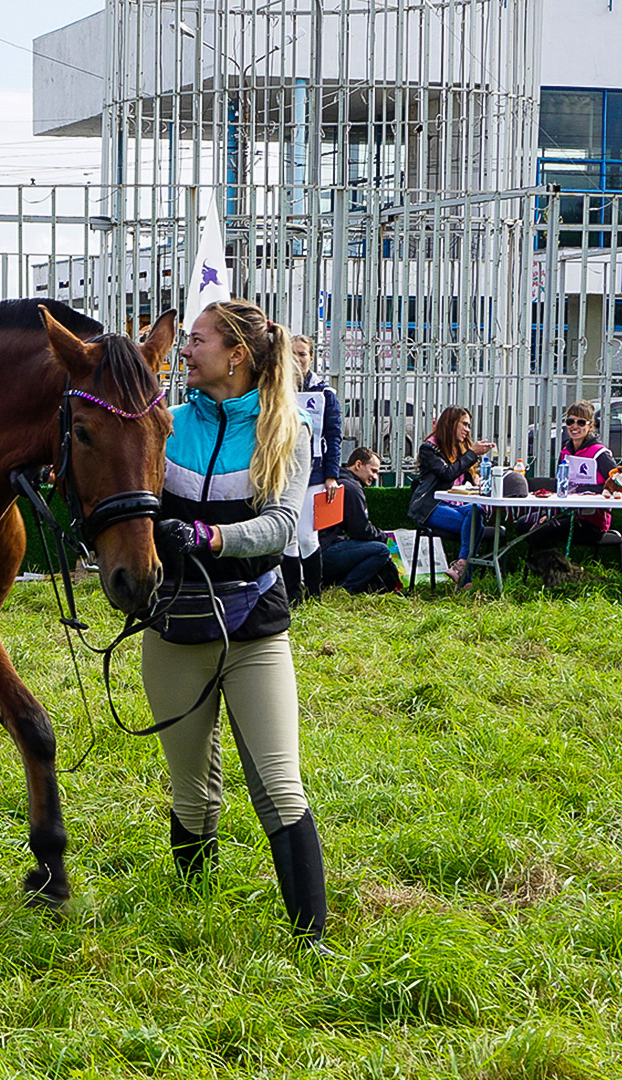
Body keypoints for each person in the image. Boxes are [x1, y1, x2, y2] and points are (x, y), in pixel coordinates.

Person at [146, 299, 329, 947]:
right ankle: (193, 924)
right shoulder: (163, 426)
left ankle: (313, 943)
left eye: (195, 341)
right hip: (172, 630)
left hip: (255, 632)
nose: (184, 351)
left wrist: (207, 538)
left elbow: (281, 527)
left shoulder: (285, 432)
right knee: (192, 794)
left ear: (236, 356)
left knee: (279, 787)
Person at [281, 333, 341, 607]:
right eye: (292, 353)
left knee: (307, 535)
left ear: (312, 357)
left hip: (315, 473)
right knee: (288, 538)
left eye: (302, 354)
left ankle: (315, 594)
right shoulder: (278, 391)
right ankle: (294, 596)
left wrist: (331, 476)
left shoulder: (325, 393)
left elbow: (334, 435)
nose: (297, 359)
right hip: (284, 472)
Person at [408, 406, 494, 583]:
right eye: (464, 424)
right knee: (477, 528)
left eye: (469, 426)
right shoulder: (429, 448)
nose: (467, 430)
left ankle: (460, 567)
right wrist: (472, 454)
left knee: (476, 511)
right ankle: (465, 580)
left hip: (456, 505)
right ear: (450, 423)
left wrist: (476, 477)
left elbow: (467, 476)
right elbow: (447, 473)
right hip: (431, 506)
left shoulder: (461, 448)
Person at [525, 400, 619, 553]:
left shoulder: (600, 454)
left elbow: (616, 483)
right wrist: (548, 514)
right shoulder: (565, 451)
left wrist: (585, 489)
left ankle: (556, 570)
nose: (575, 427)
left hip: (591, 521)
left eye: (581, 422)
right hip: (565, 514)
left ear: (590, 426)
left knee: (541, 531)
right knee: (525, 523)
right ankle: (552, 566)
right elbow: (561, 485)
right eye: (570, 421)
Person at [316, 446, 399, 593]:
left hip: (317, 550)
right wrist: (384, 537)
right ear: (358, 465)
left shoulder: (339, 480)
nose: (374, 477)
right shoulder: (352, 488)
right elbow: (360, 529)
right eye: (373, 471)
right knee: (381, 551)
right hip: (327, 550)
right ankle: (345, 589)